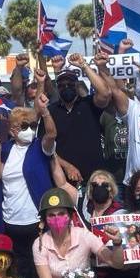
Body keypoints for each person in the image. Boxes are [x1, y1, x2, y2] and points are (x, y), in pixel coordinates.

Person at [0, 98, 57, 278]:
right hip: (11, 221)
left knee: (39, 269)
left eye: (32, 125)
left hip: (35, 221)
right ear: (13, 130)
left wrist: (45, 113)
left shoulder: (39, 147)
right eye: (24, 126)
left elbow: (51, 134)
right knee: (19, 268)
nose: (29, 130)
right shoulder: (7, 148)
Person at [48, 54, 112, 184]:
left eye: (70, 84)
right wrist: (66, 166)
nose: (66, 87)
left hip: (94, 180)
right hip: (64, 180)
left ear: (77, 85)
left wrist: (83, 65)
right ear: (57, 88)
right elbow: (46, 147)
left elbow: (105, 93)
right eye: (62, 85)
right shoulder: (51, 111)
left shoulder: (89, 104)